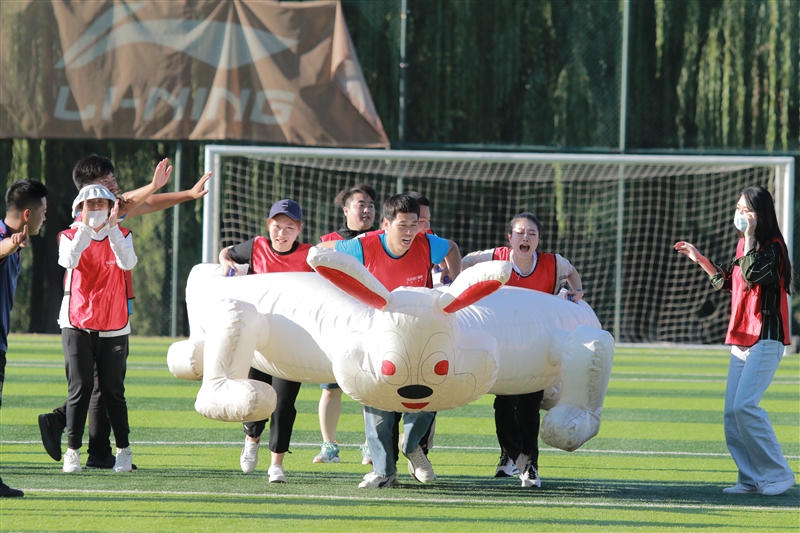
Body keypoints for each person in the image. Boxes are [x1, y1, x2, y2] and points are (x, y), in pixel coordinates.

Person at [38, 154, 211, 469]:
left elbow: (147, 202)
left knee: (104, 386)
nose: (116, 187)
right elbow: (141, 199)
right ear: (91, 191)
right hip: (82, 311)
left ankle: (96, 449)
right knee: (93, 385)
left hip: (113, 307)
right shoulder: (93, 217)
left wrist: (185, 194)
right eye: (110, 181)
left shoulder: (112, 217)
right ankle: (78, 437)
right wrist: (162, 187)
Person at [318, 193, 462, 488]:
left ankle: (412, 448)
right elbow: (321, 250)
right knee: (377, 401)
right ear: (385, 224)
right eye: (403, 225)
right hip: (379, 337)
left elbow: (452, 248)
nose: (410, 232)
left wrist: (455, 284)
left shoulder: (427, 243)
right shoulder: (363, 245)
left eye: (414, 224)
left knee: (428, 394)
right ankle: (384, 471)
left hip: (420, 335)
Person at [675, 185, 795, 497]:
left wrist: (752, 236)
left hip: (766, 338)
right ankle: (751, 478)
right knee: (732, 413)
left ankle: (779, 474)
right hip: (740, 338)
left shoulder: (773, 248)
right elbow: (731, 282)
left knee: (745, 406)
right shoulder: (744, 246)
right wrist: (700, 258)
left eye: (747, 210)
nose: (740, 215)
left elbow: (755, 274)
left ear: (761, 214)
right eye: (739, 208)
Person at [461, 212, 584, 488]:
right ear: (510, 237)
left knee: (529, 406)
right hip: (505, 347)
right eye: (520, 232)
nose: (525, 237)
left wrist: (578, 290)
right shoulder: (496, 258)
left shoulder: (553, 263)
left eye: (531, 233)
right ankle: (508, 455)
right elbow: (466, 261)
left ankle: (529, 467)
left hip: (537, 350)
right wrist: (458, 283)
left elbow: (572, 272)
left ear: (538, 239)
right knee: (504, 404)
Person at [218, 199, 313, 483]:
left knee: (284, 402)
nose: (281, 233)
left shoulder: (310, 255)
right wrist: (225, 261)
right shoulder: (257, 247)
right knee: (255, 398)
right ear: (268, 225)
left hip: (291, 340)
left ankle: (277, 464)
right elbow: (228, 253)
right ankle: (251, 437)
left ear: (299, 229)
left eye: (289, 227)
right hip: (257, 340)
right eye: (276, 226)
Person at [58, 184, 138, 473]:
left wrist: (113, 230)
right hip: (76, 320)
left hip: (114, 322)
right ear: (79, 208)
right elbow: (68, 260)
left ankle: (124, 451)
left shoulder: (123, 235)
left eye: (101, 205)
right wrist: (83, 228)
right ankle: (72, 452)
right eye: (89, 206)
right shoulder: (68, 235)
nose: (96, 211)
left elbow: (127, 262)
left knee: (112, 390)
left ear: (111, 208)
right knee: (80, 388)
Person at [315, 184, 378, 465]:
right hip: (339, 324)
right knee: (332, 387)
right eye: (360, 204)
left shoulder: (384, 240)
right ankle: (329, 446)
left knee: (372, 387)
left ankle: (371, 447)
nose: (366, 210)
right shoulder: (327, 241)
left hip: (374, 322)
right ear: (346, 210)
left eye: (371, 206)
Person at [0, 179, 48, 497]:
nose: (46, 218)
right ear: (28, 214)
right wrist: (11, 244)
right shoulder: (6, 240)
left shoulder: (15, 242)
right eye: (44, 212)